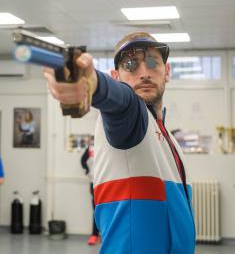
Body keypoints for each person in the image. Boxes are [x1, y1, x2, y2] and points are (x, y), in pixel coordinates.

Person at [44, 32, 195, 254]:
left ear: (167, 72)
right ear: (116, 76)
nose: (144, 73)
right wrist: (90, 82)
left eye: (153, 62)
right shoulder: (131, 118)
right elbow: (119, 98)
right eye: (130, 65)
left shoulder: (168, 138)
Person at [81, 140, 100, 246]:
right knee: (96, 210)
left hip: (108, 182)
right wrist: (87, 171)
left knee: (108, 208)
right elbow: (83, 161)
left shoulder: (110, 144)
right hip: (94, 183)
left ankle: (106, 235)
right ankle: (95, 235)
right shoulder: (91, 148)